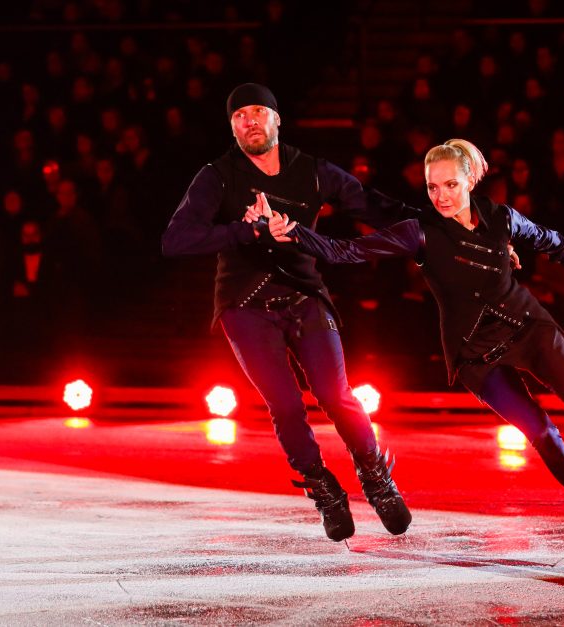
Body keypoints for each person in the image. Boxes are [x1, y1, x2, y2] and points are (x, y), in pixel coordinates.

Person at [264, 139, 564, 560]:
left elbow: (547, 238)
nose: (440, 196)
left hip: (529, 329)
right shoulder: (419, 232)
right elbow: (348, 250)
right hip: (474, 353)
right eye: (431, 187)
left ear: (469, 180)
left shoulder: (500, 217)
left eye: (450, 184)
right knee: (542, 434)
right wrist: (295, 233)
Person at [161, 83, 411, 542]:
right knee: (286, 406)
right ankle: (323, 487)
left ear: (277, 119)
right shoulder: (217, 176)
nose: (249, 120)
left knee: (337, 394)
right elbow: (175, 240)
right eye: (240, 115)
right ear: (232, 126)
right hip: (244, 305)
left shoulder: (312, 172)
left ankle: (376, 476)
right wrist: (245, 231)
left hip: (304, 294)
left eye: (258, 111)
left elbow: (376, 208)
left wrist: (441, 227)